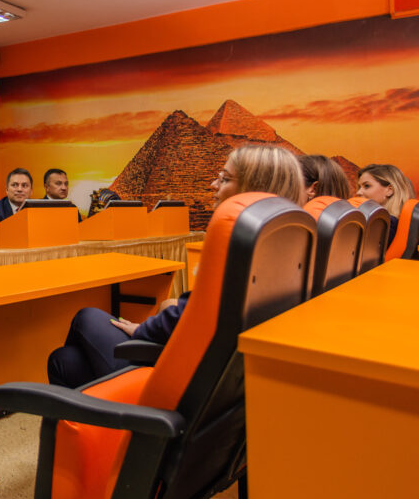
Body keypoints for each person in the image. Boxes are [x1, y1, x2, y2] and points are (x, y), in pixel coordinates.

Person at [47, 145, 304, 388]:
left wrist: (143, 329)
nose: (213, 184)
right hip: (215, 384)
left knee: (87, 317)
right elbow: (205, 312)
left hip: (177, 381)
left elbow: (194, 316)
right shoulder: (286, 245)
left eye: (224, 179)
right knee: (64, 360)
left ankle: (115, 418)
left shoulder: (236, 242)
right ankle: (94, 416)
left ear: (253, 189)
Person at [356, 163, 416, 243]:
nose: (358, 192)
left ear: (389, 190)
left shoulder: (386, 225)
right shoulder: (394, 223)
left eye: (367, 186)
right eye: (359, 187)